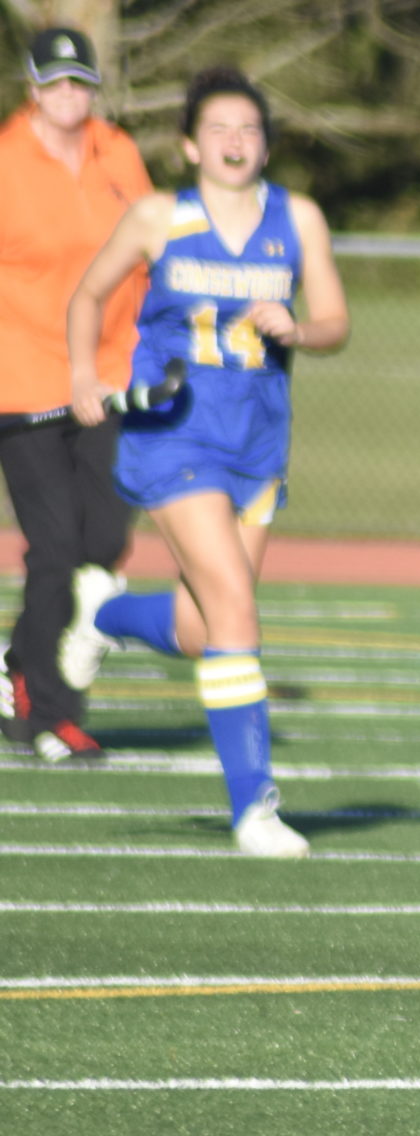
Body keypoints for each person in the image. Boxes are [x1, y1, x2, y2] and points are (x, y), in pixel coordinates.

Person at [54, 65, 347, 855]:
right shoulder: (158, 218)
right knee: (239, 618)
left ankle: (104, 615)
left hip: (258, 441)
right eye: (218, 129)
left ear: (267, 144)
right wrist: (84, 374)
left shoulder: (300, 219)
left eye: (249, 129)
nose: (235, 142)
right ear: (189, 144)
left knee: (198, 626)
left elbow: (336, 322)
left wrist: (299, 327)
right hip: (174, 438)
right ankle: (254, 807)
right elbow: (87, 297)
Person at [0, 26, 150, 763]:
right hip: (24, 379)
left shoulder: (116, 153)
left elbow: (153, 244)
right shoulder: (4, 161)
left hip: (113, 373)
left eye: (79, 82)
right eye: (55, 83)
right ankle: (53, 711)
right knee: (56, 547)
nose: (69, 95)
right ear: (32, 91)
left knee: (105, 539)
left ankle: (19, 659)